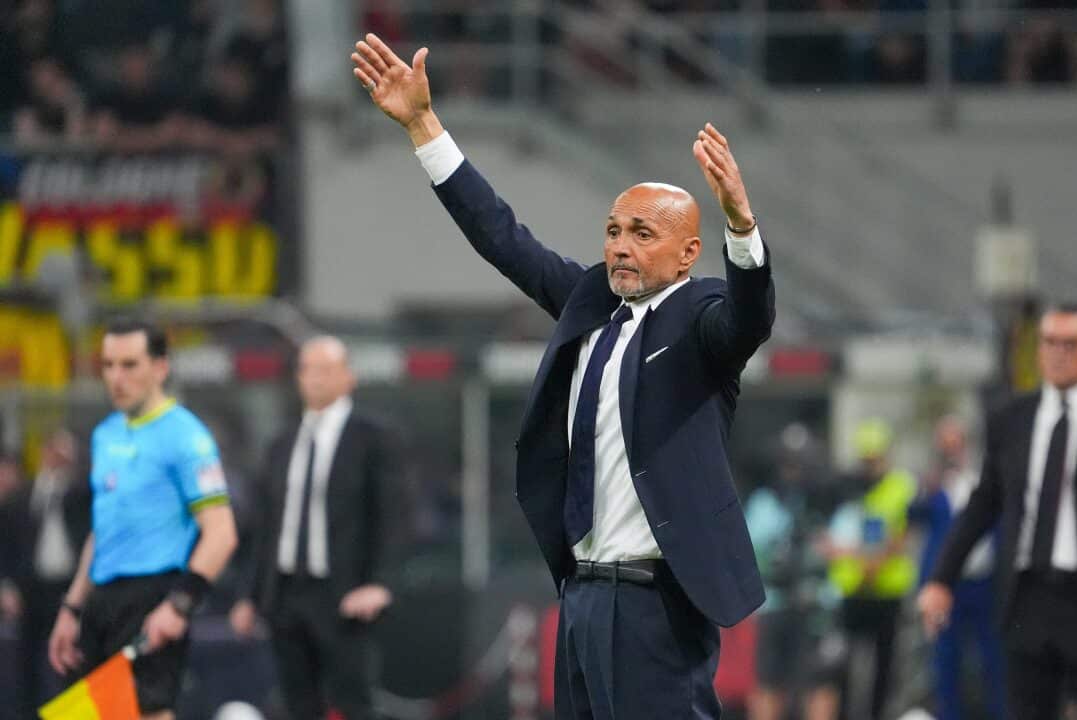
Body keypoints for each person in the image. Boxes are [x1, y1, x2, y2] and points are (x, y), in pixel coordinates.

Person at [352, 31, 773, 718]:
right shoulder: (591, 300)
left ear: (689, 252)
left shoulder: (703, 316)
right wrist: (425, 126)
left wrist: (741, 225)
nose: (620, 246)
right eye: (613, 229)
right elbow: (502, 235)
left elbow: (751, 318)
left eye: (642, 232)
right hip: (581, 596)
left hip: (657, 601)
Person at [917, 303, 1077, 720]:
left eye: (1071, 344)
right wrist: (941, 578)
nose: (1058, 353)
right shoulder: (1011, 419)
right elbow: (984, 504)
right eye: (1050, 342)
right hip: (1028, 596)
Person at [46, 318, 240, 719]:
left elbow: (221, 535)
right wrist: (72, 608)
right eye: (109, 365)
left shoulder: (186, 436)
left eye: (130, 365)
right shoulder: (105, 435)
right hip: (101, 601)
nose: (116, 377)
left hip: (152, 597)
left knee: (147, 714)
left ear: (160, 368)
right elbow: (102, 532)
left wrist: (178, 606)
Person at [230, 336, 402, 720]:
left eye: (326, 369)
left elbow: (392, 515)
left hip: (343, 593)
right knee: (295, 701)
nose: (315, 378)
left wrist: (379, 582)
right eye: (307, 369)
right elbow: (267, 526)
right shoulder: (282, 443)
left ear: (348, 377)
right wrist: (250, 595)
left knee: (353, 699)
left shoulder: (371, 437)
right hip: (286, 592)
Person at [822, 419, 917, 720]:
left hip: (887, 589)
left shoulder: (902, 486)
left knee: (885, 666)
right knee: (846, 665)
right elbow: (831, 533)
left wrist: (878, 560)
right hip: (852, 587)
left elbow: (906, 532)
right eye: (866, 459)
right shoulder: (847, 487)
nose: (870, 466)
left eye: (875, 459)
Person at [744, 423, 840, 720]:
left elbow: (839, 547)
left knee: (820, 681)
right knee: (768, 681)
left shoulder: (825, 501)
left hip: (815, 604)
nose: (794, 469)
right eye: (789, 462)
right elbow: (754, 545)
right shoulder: (765, 502)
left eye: (801, 462)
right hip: (774, 602)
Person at [911, 417, 1005, 720]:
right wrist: (929, 485)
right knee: (946, 658)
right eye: (945, 446)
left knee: (992, 655)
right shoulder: (934, 485)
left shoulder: (981, 478)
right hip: (947, 585)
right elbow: (914, 515)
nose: (951, 452)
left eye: (956, 444)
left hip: (984, 582)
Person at [0, 429, 91, 716]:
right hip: (30, 589)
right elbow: (7, 545)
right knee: (26, 661)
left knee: (68, 659)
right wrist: (7, 585)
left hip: (68, 589)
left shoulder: (79, 495)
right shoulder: (20, 497)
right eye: (54, 451)